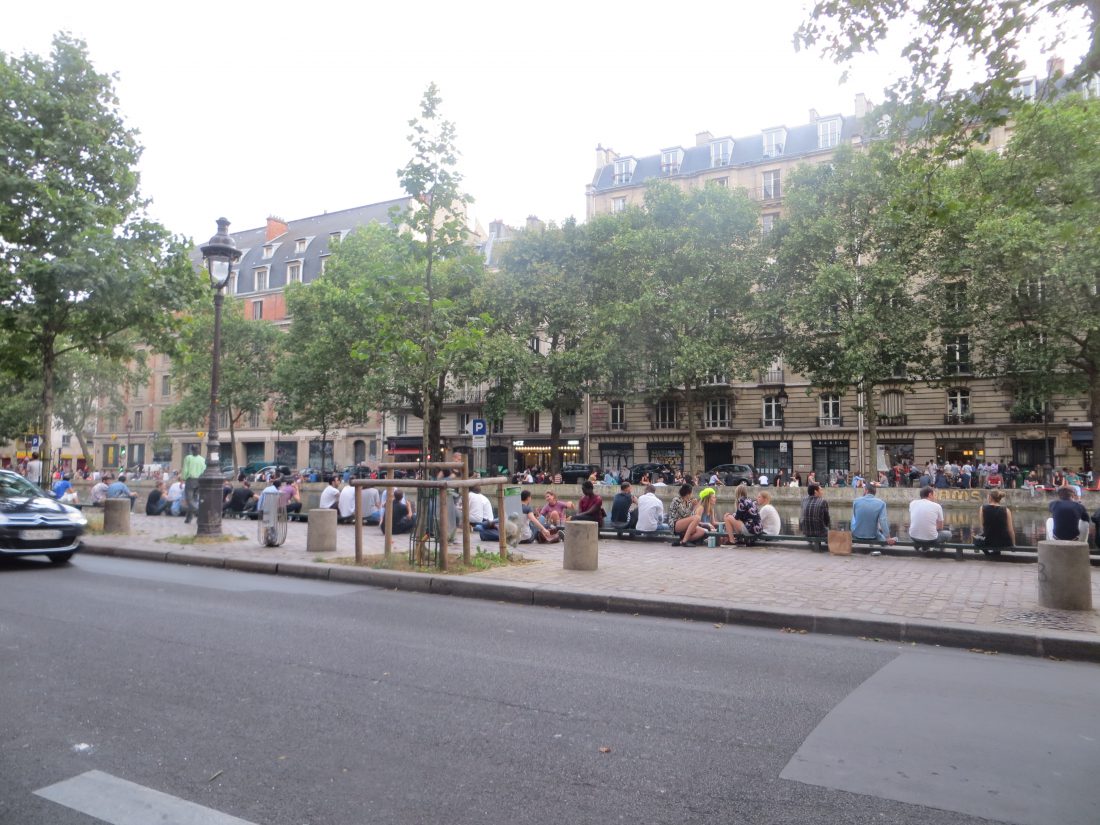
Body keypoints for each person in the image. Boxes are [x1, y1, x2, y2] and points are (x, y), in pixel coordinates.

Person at [799, 482, 831, 551]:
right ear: (815, 492)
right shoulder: (823, 501)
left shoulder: (804, 500)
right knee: (829, 531)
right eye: (821, 490)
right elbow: (827, 520)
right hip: (819, 532)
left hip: (806, 532)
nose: (822, 492)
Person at [181, 445, 206, 524]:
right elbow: (204, 470)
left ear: (191, 450)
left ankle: (199, 512)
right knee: (194, 499)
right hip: (200, 481)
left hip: (191, 480)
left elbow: (185, 469)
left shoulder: (188, 458)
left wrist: (183, 478)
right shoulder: (202, 459)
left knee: (189, 499)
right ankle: (189, 518)